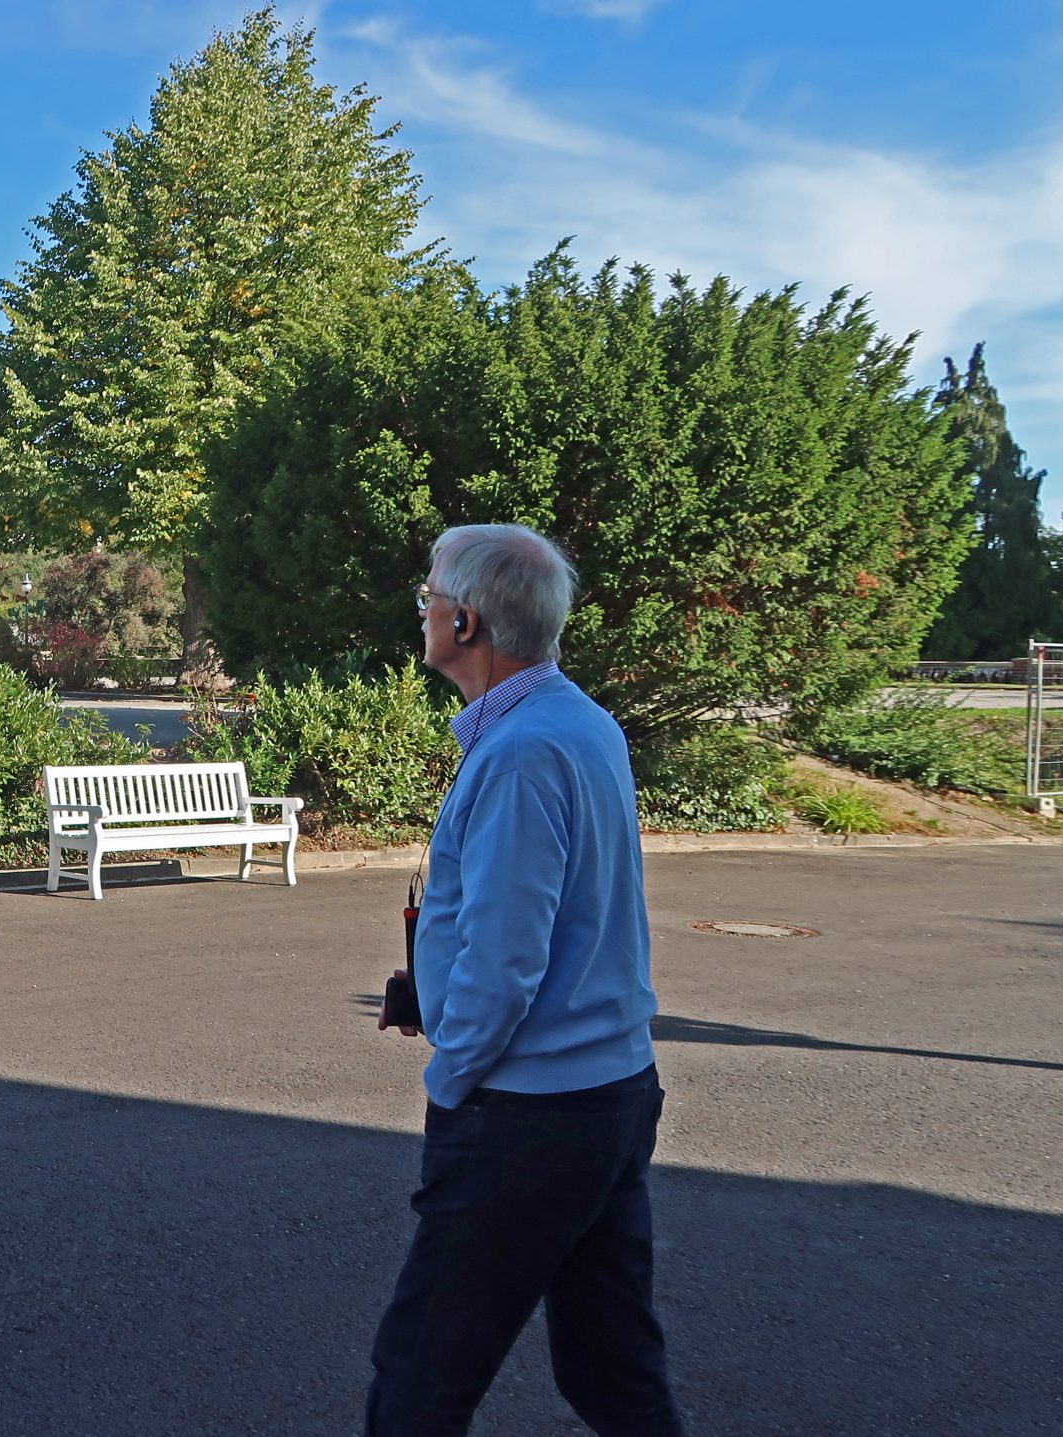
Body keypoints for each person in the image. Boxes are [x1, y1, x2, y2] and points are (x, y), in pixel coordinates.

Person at [367, 524, 683, 1436]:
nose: (423, 613)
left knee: (420, 1377)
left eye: (429, 599)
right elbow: (566, 918)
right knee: (613, 1370)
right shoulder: (579, 722)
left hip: (528, 1115)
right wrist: (433, 987)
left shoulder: (519, 753)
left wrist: (451, 1074)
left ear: (466, 621)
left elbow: (508, 962)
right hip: (610, 1092)